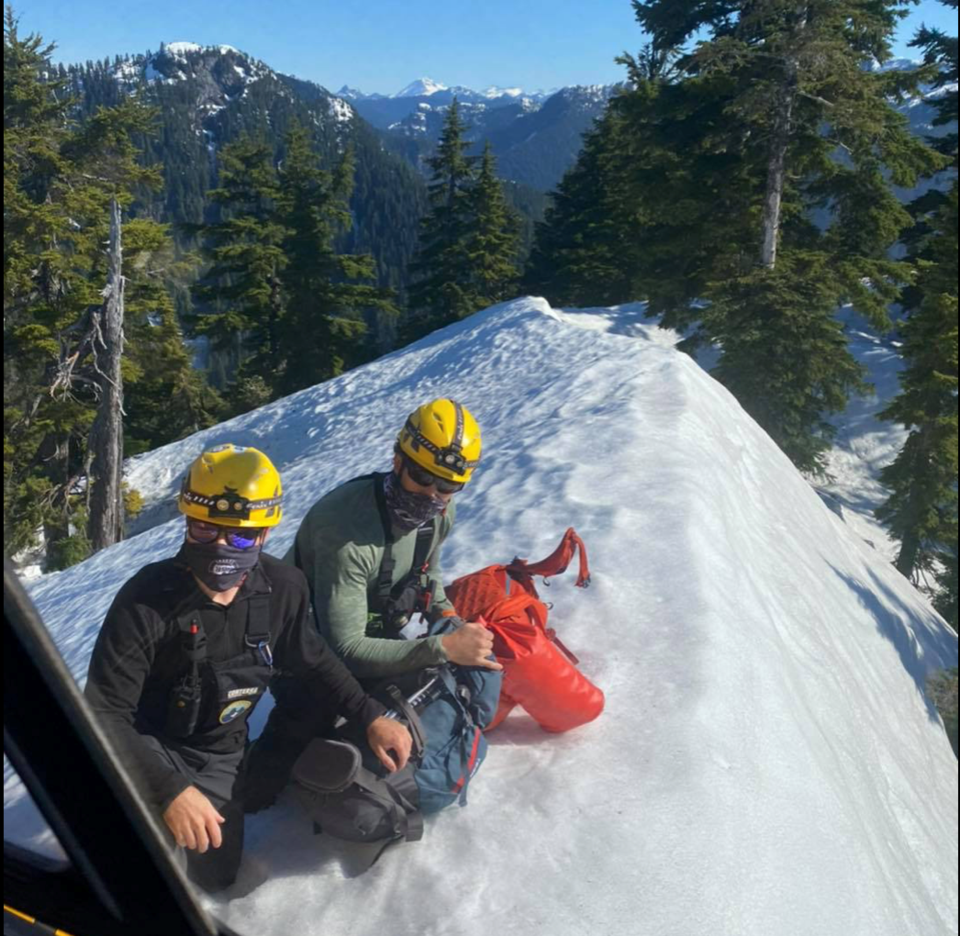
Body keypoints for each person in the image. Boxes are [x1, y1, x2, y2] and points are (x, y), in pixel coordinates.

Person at [84, 444, 411, 892]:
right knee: (143, 866)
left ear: (264, 534)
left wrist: (370, 714)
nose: (220, 546)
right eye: (204, 528)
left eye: (239, 536)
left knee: (216, 876)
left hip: (220, 748)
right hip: (150, 742)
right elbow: (103, 713)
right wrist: (168, 790)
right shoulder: (146, 600)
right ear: (186, 521)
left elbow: (312, 660)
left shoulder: (281, 589)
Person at [241, 400, 502, 812]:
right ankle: (260, 774)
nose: (433, 495)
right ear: (398, 460)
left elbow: (426, 575)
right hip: (304, 647)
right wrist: (444, 648)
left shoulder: (438, 513)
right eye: (421, 476)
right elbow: (346, 651)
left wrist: (449, 622)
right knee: (308, 714)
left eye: (448, 486)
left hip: (374, 627)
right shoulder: (345, 532)